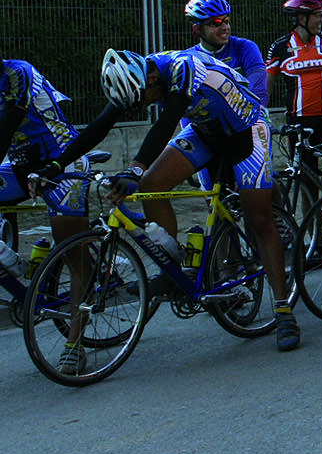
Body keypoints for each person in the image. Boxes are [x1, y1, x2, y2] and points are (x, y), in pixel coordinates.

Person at [40, 48, 299, 355]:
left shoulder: (183, 67)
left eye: (142, 99)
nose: (142, 106)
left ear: (151, 79)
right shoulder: (138, 77)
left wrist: (134, 168)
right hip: (206, 130)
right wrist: (55, 166)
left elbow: (165, 123)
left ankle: (284, 312)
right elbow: (100, 126)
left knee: (258, 219)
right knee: (152, 185)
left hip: (247, 131)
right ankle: (173, 268)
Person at [0, 61, 93, 329]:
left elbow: (6, 129)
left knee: (73, 250)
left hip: (62, 161)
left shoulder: (17, 73)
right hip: (21, 165)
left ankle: (75, 346)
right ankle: (11, 261)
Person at [264, 0, 322, 154]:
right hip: (297, 122)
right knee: (303, 172)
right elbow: (265, 88)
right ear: (302, 18)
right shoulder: (280, 47)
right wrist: (260, 115)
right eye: (319, 15)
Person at [183, 0, 267, 101]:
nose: (225, 27)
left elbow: (259, 91)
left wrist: (259, 114)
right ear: (197, 29)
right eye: (216, 23)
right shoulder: (189, 58)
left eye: (226, 20)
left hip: (245, 114)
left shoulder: (244, 47)